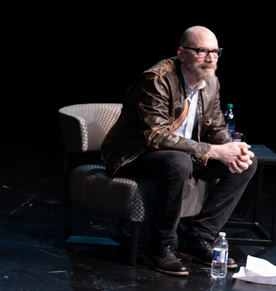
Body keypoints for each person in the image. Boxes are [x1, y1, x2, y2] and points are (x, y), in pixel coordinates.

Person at [101, 26, 257, 277]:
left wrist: (231, 148)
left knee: (246, 163)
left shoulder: (210, 82)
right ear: (182, 53)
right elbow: (155, 136)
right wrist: (214, 151)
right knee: (179, 162)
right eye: (202, 51)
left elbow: (216, 126)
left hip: (180, 153)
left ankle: (198, 238)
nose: (211, 58)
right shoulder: (156, 79)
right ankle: (160, 247)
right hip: (134, 155)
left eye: (216, 52)